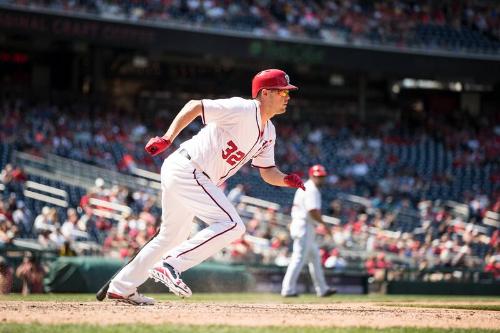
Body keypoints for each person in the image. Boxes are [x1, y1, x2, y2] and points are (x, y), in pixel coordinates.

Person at [106, 69, 305, 305]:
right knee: (232, 225)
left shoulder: (269, 131)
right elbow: (194, 106)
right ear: (264, 93)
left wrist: (284, 179)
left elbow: (267, 171)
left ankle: (121, 287)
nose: (287, 96)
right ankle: (171, 264)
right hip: (189, 168)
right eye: (282, 91)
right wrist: (168, 138)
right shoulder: (242, 109)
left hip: (190, 173)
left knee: (171, 236)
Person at [281, 164, 337, 297]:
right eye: (318, 176)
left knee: (315, 257)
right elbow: (313, 211)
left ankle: (322, 289)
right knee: (298, 258)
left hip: (303, 225)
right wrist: (325, 225)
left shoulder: (305, 187)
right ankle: (287, 289)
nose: (320, 179)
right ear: (312, 175)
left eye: (322, 176)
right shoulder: (312, 189)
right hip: (304, 226)